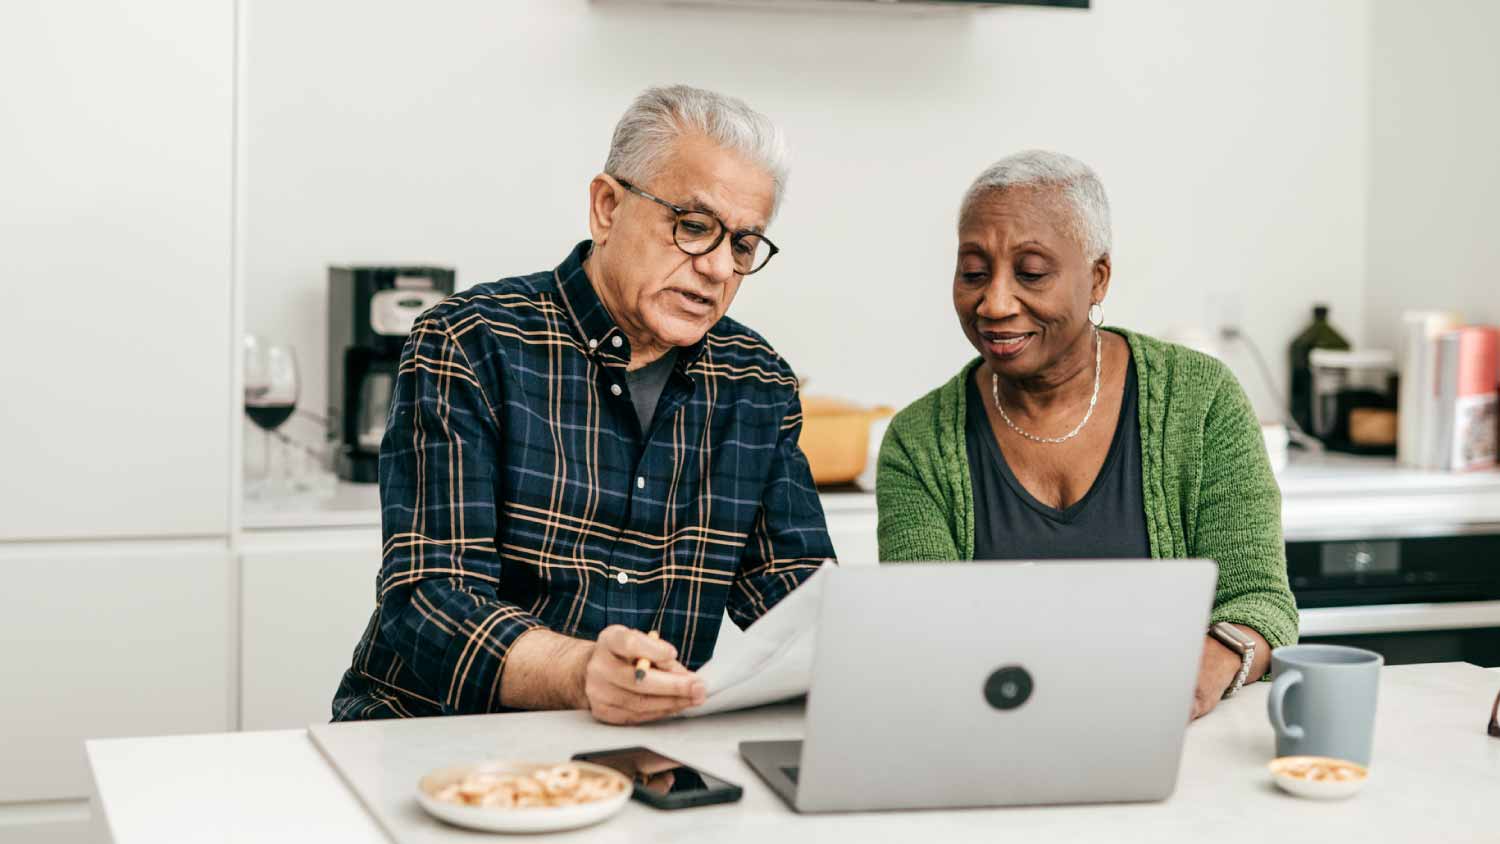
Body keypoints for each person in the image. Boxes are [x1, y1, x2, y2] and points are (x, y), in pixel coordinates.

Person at [333, 85, 834, 725]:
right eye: (694, 226)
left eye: (742, 244)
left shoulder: (757, 382)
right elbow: (430, 600)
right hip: (429, 730)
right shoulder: (470, 342)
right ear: (606, 208)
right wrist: (582, 673)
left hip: (637, 746)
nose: (717, 268)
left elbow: (801, 607)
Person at [876, 150, 1297, 719]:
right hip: (993, 738)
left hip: (1174, 738)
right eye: (973, 273)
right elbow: (925, 629)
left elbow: (1260, 600)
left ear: (1097, 278)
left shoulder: (1201, 400)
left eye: (1031, 273)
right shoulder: (919, 442)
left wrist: (1213, 660)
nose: (994, 303)